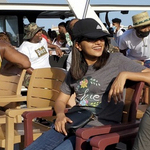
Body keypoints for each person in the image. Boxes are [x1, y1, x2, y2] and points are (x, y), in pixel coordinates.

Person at [24, 18, 150, 150]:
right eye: (91, 39)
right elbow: (61, 100)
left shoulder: (115, 60)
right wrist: (60, 115)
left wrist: (125, 75)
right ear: (78, 45)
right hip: (73, 122)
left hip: (99, 130)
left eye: (101, 38)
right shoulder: (76, 69)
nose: (98, 43)